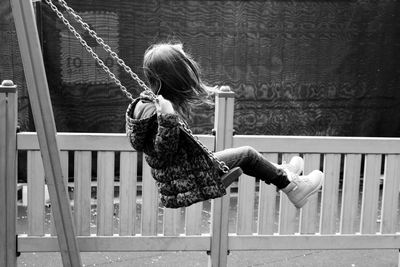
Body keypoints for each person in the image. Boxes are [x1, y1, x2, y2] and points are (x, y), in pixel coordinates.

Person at [126, 42, 324, 209]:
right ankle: (294, 188)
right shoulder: (156, 110)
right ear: (175, 77)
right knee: (247, 154)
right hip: (189, 176)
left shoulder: (146, 103)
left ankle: (283, 172)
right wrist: (168, 117)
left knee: (248, 157)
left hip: (187, 171)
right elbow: (163, 151)